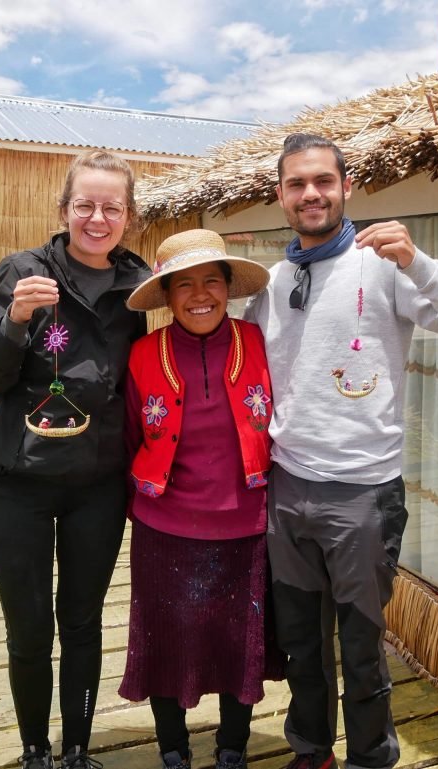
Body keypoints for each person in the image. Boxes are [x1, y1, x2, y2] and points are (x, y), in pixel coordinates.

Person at [244, 134, 438, 769]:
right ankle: (311, 751)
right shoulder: (274, 283)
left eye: (323, 182)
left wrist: (420, 264)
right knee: (302, 642)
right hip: (287, 489)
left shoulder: (384, 265)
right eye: (297, 184)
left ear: (346, 187)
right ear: (280, 195)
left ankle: (370, 758)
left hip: (362, 493)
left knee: (361, 645)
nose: (311, 194)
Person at [0, 150, 152, 769]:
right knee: (27, 630)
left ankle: (76, 750)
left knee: (81, 622)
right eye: (85, 205)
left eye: (112, 207)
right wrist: (16, 318)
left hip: (97, 485)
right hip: (17, 482)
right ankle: (33, 753)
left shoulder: (137, 284)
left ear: (128, 215)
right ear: (64, 210)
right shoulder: (23, 271)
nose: (98, 218)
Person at [118, 229, 283, 769]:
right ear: (165, 295)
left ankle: (232, 749)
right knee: (167, 643)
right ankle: (172, 750)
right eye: (183, 284)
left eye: (212, 280)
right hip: (164, 530)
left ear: (230, 287)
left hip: (246, 527)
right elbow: (127, 440)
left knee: (240, 644)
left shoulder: (260, 343)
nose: (199, 294)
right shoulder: (143, 355)